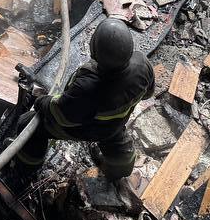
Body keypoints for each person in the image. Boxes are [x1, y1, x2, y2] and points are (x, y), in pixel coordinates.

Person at [15, 17, 153, 181]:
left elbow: (62, 116)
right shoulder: (143, 64)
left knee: (26, 124)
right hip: (114, 127)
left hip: (87, 129)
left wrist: (41, 102)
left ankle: (27, 168)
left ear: (94, 50)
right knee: (117, 145)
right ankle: (120, 170)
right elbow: (148, 93)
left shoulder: (87, 85)